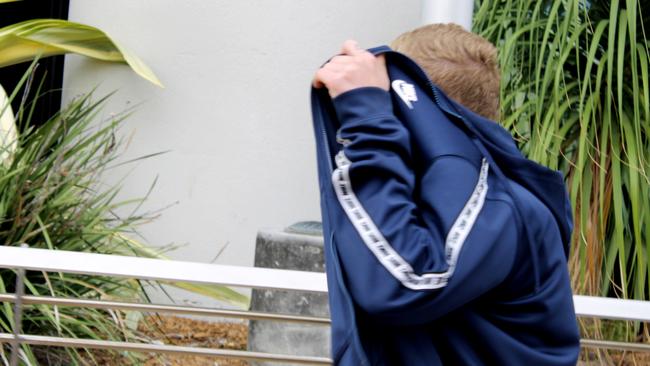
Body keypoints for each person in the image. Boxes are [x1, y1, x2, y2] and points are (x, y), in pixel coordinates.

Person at [310, 23, 580, 365]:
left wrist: (367, 117)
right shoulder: (421, 197)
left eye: (385, 94)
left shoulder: (501, 208)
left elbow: (399, 286)